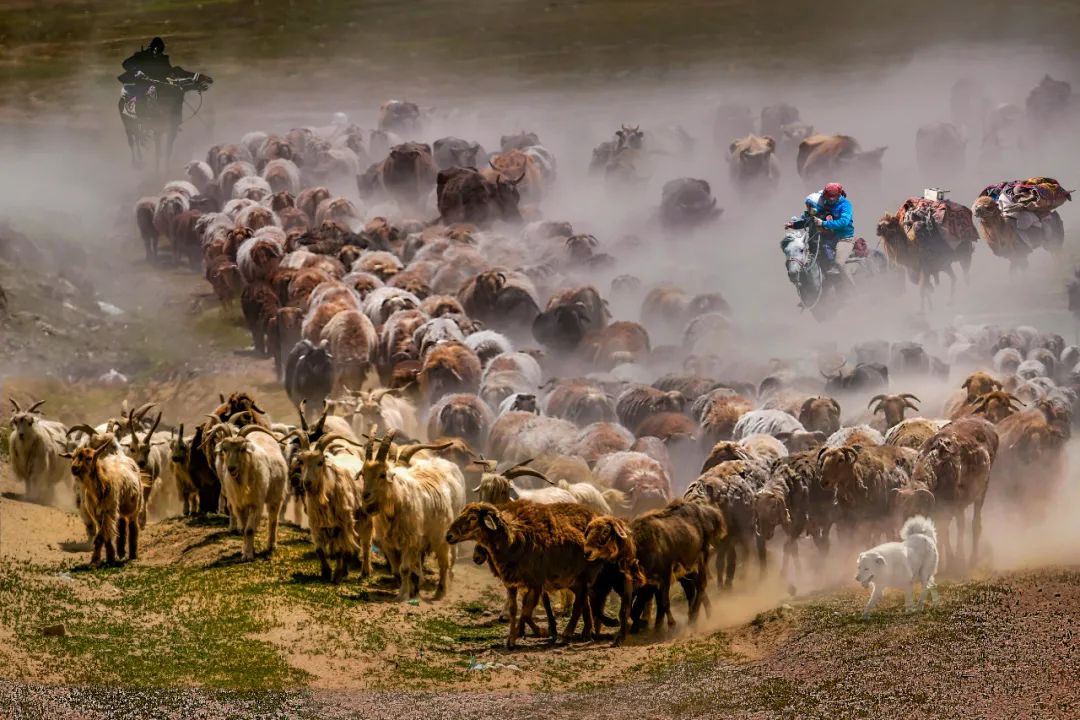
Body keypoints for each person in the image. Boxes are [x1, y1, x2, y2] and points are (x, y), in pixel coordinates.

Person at [786, 182, 855, 284]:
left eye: (833, 196)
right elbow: (807, 221)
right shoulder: (824, 207)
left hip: (844, 238)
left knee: (838, 263)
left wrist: (823, 223)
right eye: (828, 196)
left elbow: (842, 222)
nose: (830, 199)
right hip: (824, 240)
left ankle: (852, 289)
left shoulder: (843, 206)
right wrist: (794, 225)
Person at [117, 37, 182, 118]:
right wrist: (136, 71)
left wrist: (171, 75)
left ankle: (174, 120)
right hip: (141, 84)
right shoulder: (141, 56)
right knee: (140, 96)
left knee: (175, 94)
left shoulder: (163, 59)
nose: (157, 54)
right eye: (156, 51)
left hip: (158, 84)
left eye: (159, 52)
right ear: (152, 48)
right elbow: (126, 63)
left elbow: (167, 71)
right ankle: (137, 114)